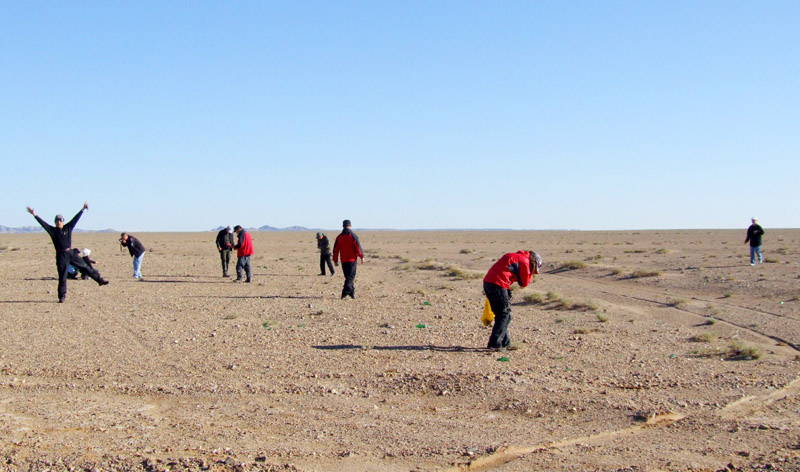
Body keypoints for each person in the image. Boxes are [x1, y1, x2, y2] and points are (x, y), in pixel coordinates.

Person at [26, 202, 108, 303]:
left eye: (61, 220)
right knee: (63, 276)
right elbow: (43, 224)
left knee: (85, 267)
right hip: (61, 256)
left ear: (63, 221)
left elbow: (75, 219)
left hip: (71, 253)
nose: (59, 222)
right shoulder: (53, 231)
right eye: (57, 220)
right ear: (55, 222)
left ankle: (99, 280)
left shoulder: (68, 228)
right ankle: (62, 296)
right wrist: (34, 215)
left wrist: (82, 209)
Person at [483, 250, 543, 350]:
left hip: (489, 283)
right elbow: (524, 283)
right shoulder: (524, 261)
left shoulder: (514, 256)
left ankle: (505, 342)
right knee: (504, 314)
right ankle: (494, 344)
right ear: (534, 261)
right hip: (498, 285)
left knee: (503, 315)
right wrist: (529, 273)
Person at [333, 220, 364, 299]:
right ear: (350, 225)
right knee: (350, 277)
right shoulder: (353, 236)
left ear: (343, 226)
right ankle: (345, 292)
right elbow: (358, 247)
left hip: (343, 260)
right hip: (352, 260)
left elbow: (336, 249)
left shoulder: (339, 237)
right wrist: (362, 257)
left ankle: (352, 294)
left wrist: (335, 260)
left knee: (348, 277)